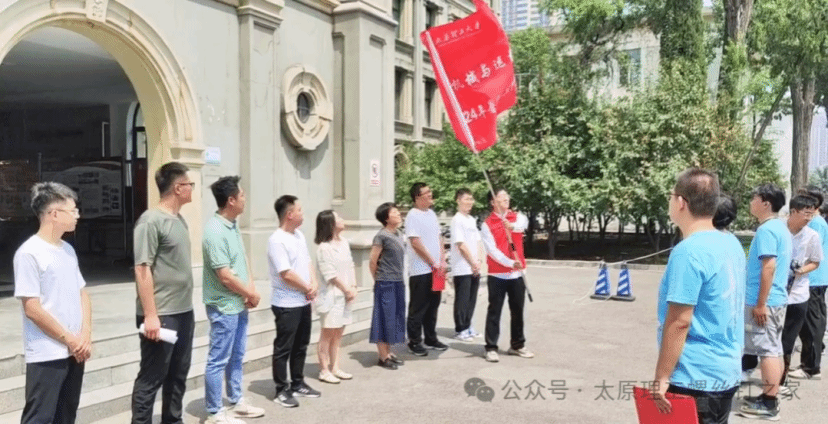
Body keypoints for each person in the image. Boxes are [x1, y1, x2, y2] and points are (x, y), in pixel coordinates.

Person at [650, 169, 745, 424]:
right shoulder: (731, 243)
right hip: (726, 371)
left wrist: (662, 376)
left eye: (671, 196)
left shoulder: (689, 252)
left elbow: (680, 321)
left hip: (694, 376)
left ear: (681, 202)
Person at [14, 182, 91, 424]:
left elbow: (82, 293)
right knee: (39, 418)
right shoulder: (29, 253)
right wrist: (69, 339)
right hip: (47, 352)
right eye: (73, 210)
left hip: (75, 350)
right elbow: (32, 309)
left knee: (66, 416)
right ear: (54, 214)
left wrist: (85, 335)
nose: (77, 216)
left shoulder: (68, 250)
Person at [132, 162, 197, 424]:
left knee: (178, 374)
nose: (192, 189)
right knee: (152, 376)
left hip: (183, 310)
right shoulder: (150, 221)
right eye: (190, 184)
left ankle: (173, 420)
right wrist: (151, 315)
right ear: (178, 188)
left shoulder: (179, 219)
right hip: (161, 313)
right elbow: (142, 268)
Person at [202, 176, 265, 423]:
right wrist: (249, 293)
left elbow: (242, 258)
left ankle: (236, 400)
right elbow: (225, 276)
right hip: (223, 305)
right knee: (218, 360)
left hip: (238, 302)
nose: (245, 199)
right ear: (231, 200)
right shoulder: (215, 231)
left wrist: (250, 288)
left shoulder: (232, 225)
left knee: (237, 355)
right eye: (242, 196)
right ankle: (214, 412)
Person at [738, 184, 792, 421]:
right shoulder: (779, 228)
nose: (751, 202)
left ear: (766, 203)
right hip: (775, 299)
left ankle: (769, 404)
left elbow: (768, 267)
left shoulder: (767, 230)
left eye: (754, 198)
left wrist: (760, 304)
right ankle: (769, 397)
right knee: (773, 348)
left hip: (765, 302)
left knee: (767, 350)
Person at [268, 195, 321, 408]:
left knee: (301, 345)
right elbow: (286, 273)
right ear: (289, 214)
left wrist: (313, 283)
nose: (302, 213)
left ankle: (298, 383)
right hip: (286, 303)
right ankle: (281, 389)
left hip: (303, 301)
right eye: (299, 210)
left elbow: (307, 261)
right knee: (284, 348)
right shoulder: (276, 240)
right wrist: (307, 288)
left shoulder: (299, 235)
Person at [481, 189, 533, 363]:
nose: (506, 199)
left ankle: (517, 345)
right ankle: (491, 347)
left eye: (507, 197)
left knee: (517, 310)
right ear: (493, 202)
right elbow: (492, 251)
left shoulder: (517, 217)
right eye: (501, 197)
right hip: (497, 273)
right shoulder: (487, 224)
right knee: (494, 311)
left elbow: (522, 226)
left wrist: (512, 227)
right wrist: (510, 263)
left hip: (517, 274)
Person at [777, 194, 822, 395]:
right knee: (769, 338)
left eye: (811, 214)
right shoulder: (778, 231)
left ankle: (780, 381)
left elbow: (815, 261)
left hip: (798, 295)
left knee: (787, 340)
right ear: (793, 211)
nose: (809, 218)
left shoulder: (812, 236)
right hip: (775, 294)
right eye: (806, 214)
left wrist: (801, 270)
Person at [314, 210, 357, 383]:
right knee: (328, 333)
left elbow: (351, 265)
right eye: (338, 218)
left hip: (346, 295)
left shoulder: (344, 242)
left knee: (338, 333)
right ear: (330, 223)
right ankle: (324, 370)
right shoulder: (324, 248)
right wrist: (346, 290)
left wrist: (353, 286)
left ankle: (335, 367)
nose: (342, 219)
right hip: (332, 296)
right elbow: (330, 274)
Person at [405, 183, 448, 356]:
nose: (431, 194)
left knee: (433, 306)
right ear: (417, 197)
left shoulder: (431, 214)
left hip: (437, 269)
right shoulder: (412, 216)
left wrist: (442, 260)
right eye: (427, 192)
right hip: (421, 270)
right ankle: (414, 341)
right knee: (418, 307)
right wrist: (432, 262)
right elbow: (415, 242)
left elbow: (439, 238)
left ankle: (431, 338)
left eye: (430, 191)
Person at [791, 187, 828, 380]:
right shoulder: (817, 221)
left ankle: (811, 367)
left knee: (812, 323)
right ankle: (811, 361)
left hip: (813, 278)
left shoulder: (815, 223)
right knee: (811, 322)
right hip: (814, 278)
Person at [369, 202, 408, 370]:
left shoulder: (399, 234)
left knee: (394, 317)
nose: (398, 214)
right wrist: (378, 279)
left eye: (398, 211)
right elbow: (372, 261)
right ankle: (382, 356)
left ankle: (389, 352)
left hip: (398, 281)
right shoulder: (381, 236)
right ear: (386, 218)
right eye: (394, 212)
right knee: (383, 317)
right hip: (385, 282)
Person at [450, 188, 483, 342]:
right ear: (458, 200)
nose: (470, 202)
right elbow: (461, 244)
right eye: (466, 199)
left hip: (474, 266)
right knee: (462, 299)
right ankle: (460, 329)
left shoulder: (471, 219)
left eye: (471, 199)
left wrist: (479, 261)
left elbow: (478, 242)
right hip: (462, 266)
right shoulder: (457, 220)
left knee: (472, 299)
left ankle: (469, 326)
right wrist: (472, 262)